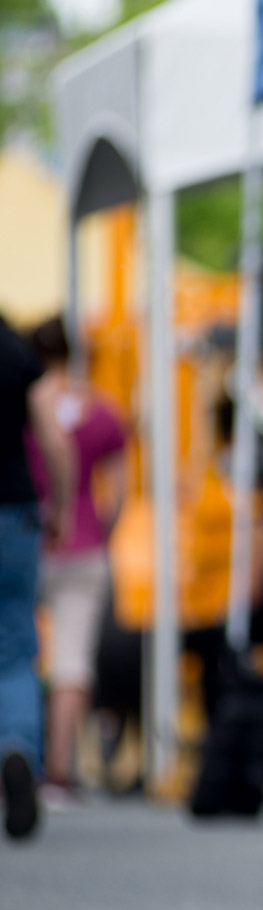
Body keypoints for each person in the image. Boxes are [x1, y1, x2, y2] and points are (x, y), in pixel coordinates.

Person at [25, 317, 127, 802]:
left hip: (28, 537)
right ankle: (60, 773)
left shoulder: (23, 403)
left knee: (16, 650)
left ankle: (20, 746)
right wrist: (102, 528)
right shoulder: (101, 411)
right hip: (84, 545)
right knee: (72, 660)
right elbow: (121, 488)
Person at [0, 315, 73, 841]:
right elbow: (53, 439)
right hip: (14, 514)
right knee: (16, 643)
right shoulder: (16, 350)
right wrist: (63, 507)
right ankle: (18, 746)